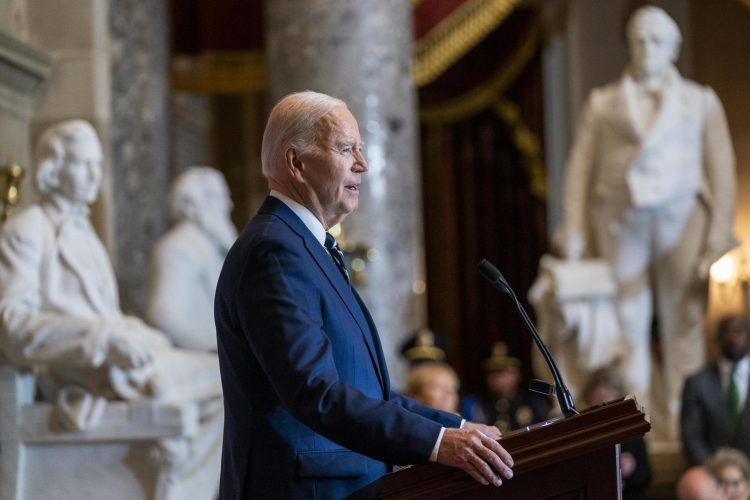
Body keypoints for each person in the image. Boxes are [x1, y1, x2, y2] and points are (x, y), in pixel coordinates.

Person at [214, 91, 514, 499]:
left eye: (361, 148)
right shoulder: (276, 251)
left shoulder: (303, 246)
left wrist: (456, 429)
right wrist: (438, 444)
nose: (363, 164)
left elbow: (367, 392)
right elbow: (316, 392)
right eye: (345, 148)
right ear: (295, 162)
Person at [0, 120, 223, 496]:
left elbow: (105, 313)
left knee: (233, 378)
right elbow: (12, 324)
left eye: (98, 165)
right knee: (230, 379)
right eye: (82, 164)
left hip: (121, 361)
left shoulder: (87, 235)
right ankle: (180, 481)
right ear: (54, 168)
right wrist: (102, 339)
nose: (94, 176)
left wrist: (137, 334)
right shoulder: (28, 229)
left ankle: (182, 481)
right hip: (81, 369)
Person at [558, 6, 737, 435]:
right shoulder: (603, 102)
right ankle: (638, 423)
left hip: (682, 219)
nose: (646, 48)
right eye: (638, 39)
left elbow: (722, 169)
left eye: (656, 40)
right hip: (621, 220)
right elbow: (579, 169)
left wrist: (717, 236)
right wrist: (575, 228)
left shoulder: (700, 100)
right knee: (626, 325)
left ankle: (684, 420)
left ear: (674, 47)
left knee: (684, 323)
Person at [147, 166, 237, 351]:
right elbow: (164, 316)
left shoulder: (210, 246)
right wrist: (216, 348)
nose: (228, 205)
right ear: (193, 204)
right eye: (219, 197)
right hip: (202, 355)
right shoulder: (178, 247)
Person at [682, 315, 750, 466]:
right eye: (727, 332)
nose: (733, 337)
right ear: (717, 339)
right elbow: (691, 436)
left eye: (739, 331)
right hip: (712, 474)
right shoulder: (697, 382)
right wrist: (714, 472)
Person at [582, 367, 651, 499]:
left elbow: (646, 477)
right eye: (596, 400)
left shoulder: (632, 433)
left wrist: (632, 470)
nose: (601, 407)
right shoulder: (582, 433)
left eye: (605, 399)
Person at [480, 342, 547, 432]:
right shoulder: (478, 405)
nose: (499, 378)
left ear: (518, 374)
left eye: (505, 371)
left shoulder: (533, 401)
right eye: (494, 372)